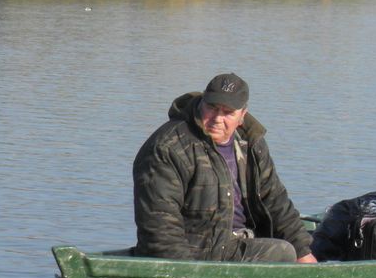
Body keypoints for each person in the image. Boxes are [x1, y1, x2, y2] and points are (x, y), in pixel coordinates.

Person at [133, 73, 317, 262]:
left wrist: (304, 252)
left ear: (242, 115)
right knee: (282, 252)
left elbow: (276, 202)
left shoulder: (251, 144)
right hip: (196, 254)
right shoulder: (168, 148)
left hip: (241, 243)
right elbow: (160, 225)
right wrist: (190, 274)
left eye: (228, 112)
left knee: (306, 248)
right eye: (212, 108)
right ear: (201, 102)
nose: (217, 118)